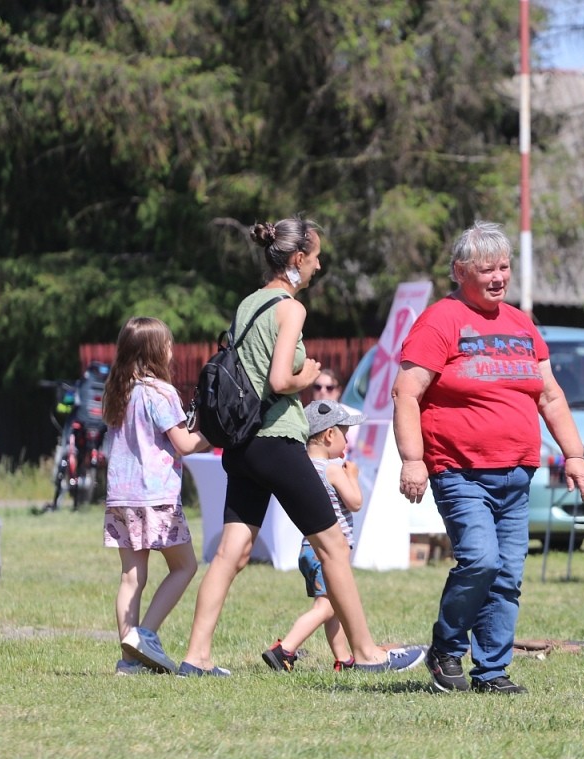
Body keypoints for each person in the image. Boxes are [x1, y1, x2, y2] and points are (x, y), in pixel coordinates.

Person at [180, 216, 412, 676]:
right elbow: (281, 379)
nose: (319, 266)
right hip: (276, 440)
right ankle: (367, 653)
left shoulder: (248, 305)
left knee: (233, 552)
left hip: (241, 446)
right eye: (317, 257)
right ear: (297, 259)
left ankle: (196, 657)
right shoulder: (291, 308)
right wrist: (309, 376)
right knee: (334, 547)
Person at [393, 220, 584, 695]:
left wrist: (575, 455)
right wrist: (412, 459)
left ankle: (491, 672)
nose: (499, 276)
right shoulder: (440, 320)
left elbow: (550, 396)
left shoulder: (522, 324)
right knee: (480, 561)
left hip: (516, 472)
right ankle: (445, 648)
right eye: (487, 269)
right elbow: (406, 392)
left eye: (504, 266)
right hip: (459, 470)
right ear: (461, 271)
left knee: (506, 576)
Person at [261, 400, 424, 673]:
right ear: (328, 435)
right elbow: (355, 502)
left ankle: (344, 658)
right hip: (329, 550)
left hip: (308, 548)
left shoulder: (304, 469)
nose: (347, 442)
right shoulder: (333, 469)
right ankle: (284, 649)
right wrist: (354, 477)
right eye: (344, 434)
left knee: (333, 608)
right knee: (328, 607)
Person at [102, 317, 210, 675]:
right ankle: (144, 634)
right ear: (155, 351)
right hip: (156, 496)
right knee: (185, 566)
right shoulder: (160, 392)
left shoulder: (119, 390)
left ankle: (128, 662)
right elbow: (184, 444)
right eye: (167, 344)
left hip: (122, 496)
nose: (171, 349)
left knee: (131, 577)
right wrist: (213, 433)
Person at [310, 366, 362, 453]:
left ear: (339, 390)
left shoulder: (353, 416)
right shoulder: (305, 416)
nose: (323, 391)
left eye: (329, 388)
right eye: (318, 387)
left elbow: (360, 449)